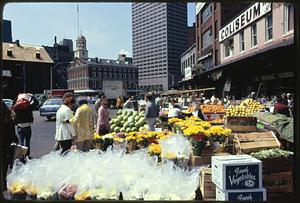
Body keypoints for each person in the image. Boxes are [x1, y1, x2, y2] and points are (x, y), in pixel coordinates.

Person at [12, 92, 38, 158]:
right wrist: (31, 95)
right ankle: (27, 155)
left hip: (20, 126)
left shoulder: (17, 108)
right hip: (28, 126)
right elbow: (36, 102)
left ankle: (21, 156)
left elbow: (13, 105)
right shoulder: (28, 106)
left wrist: (18, 96)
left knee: (21, 143)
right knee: (27, 142)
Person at [2, 101, 19, 190]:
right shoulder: (7, 118)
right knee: (4, 165)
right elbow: (11, 132)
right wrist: (15, 140)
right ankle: (3, 183)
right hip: (5, 145)